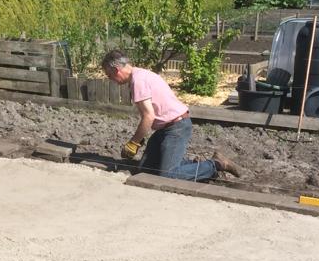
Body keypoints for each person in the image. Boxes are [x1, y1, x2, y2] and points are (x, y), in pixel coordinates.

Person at [101, 49, 243, 181]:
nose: (111, 79)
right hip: (165, 128)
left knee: (168, 175)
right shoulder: (140, 74)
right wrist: (137, 139)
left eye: (109, 75)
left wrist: (134, 143)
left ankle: (216, 164)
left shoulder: (138, 81)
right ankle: (193, 166)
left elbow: (148, 116)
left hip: (176, 128)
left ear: (116, 70)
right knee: (146, 170)